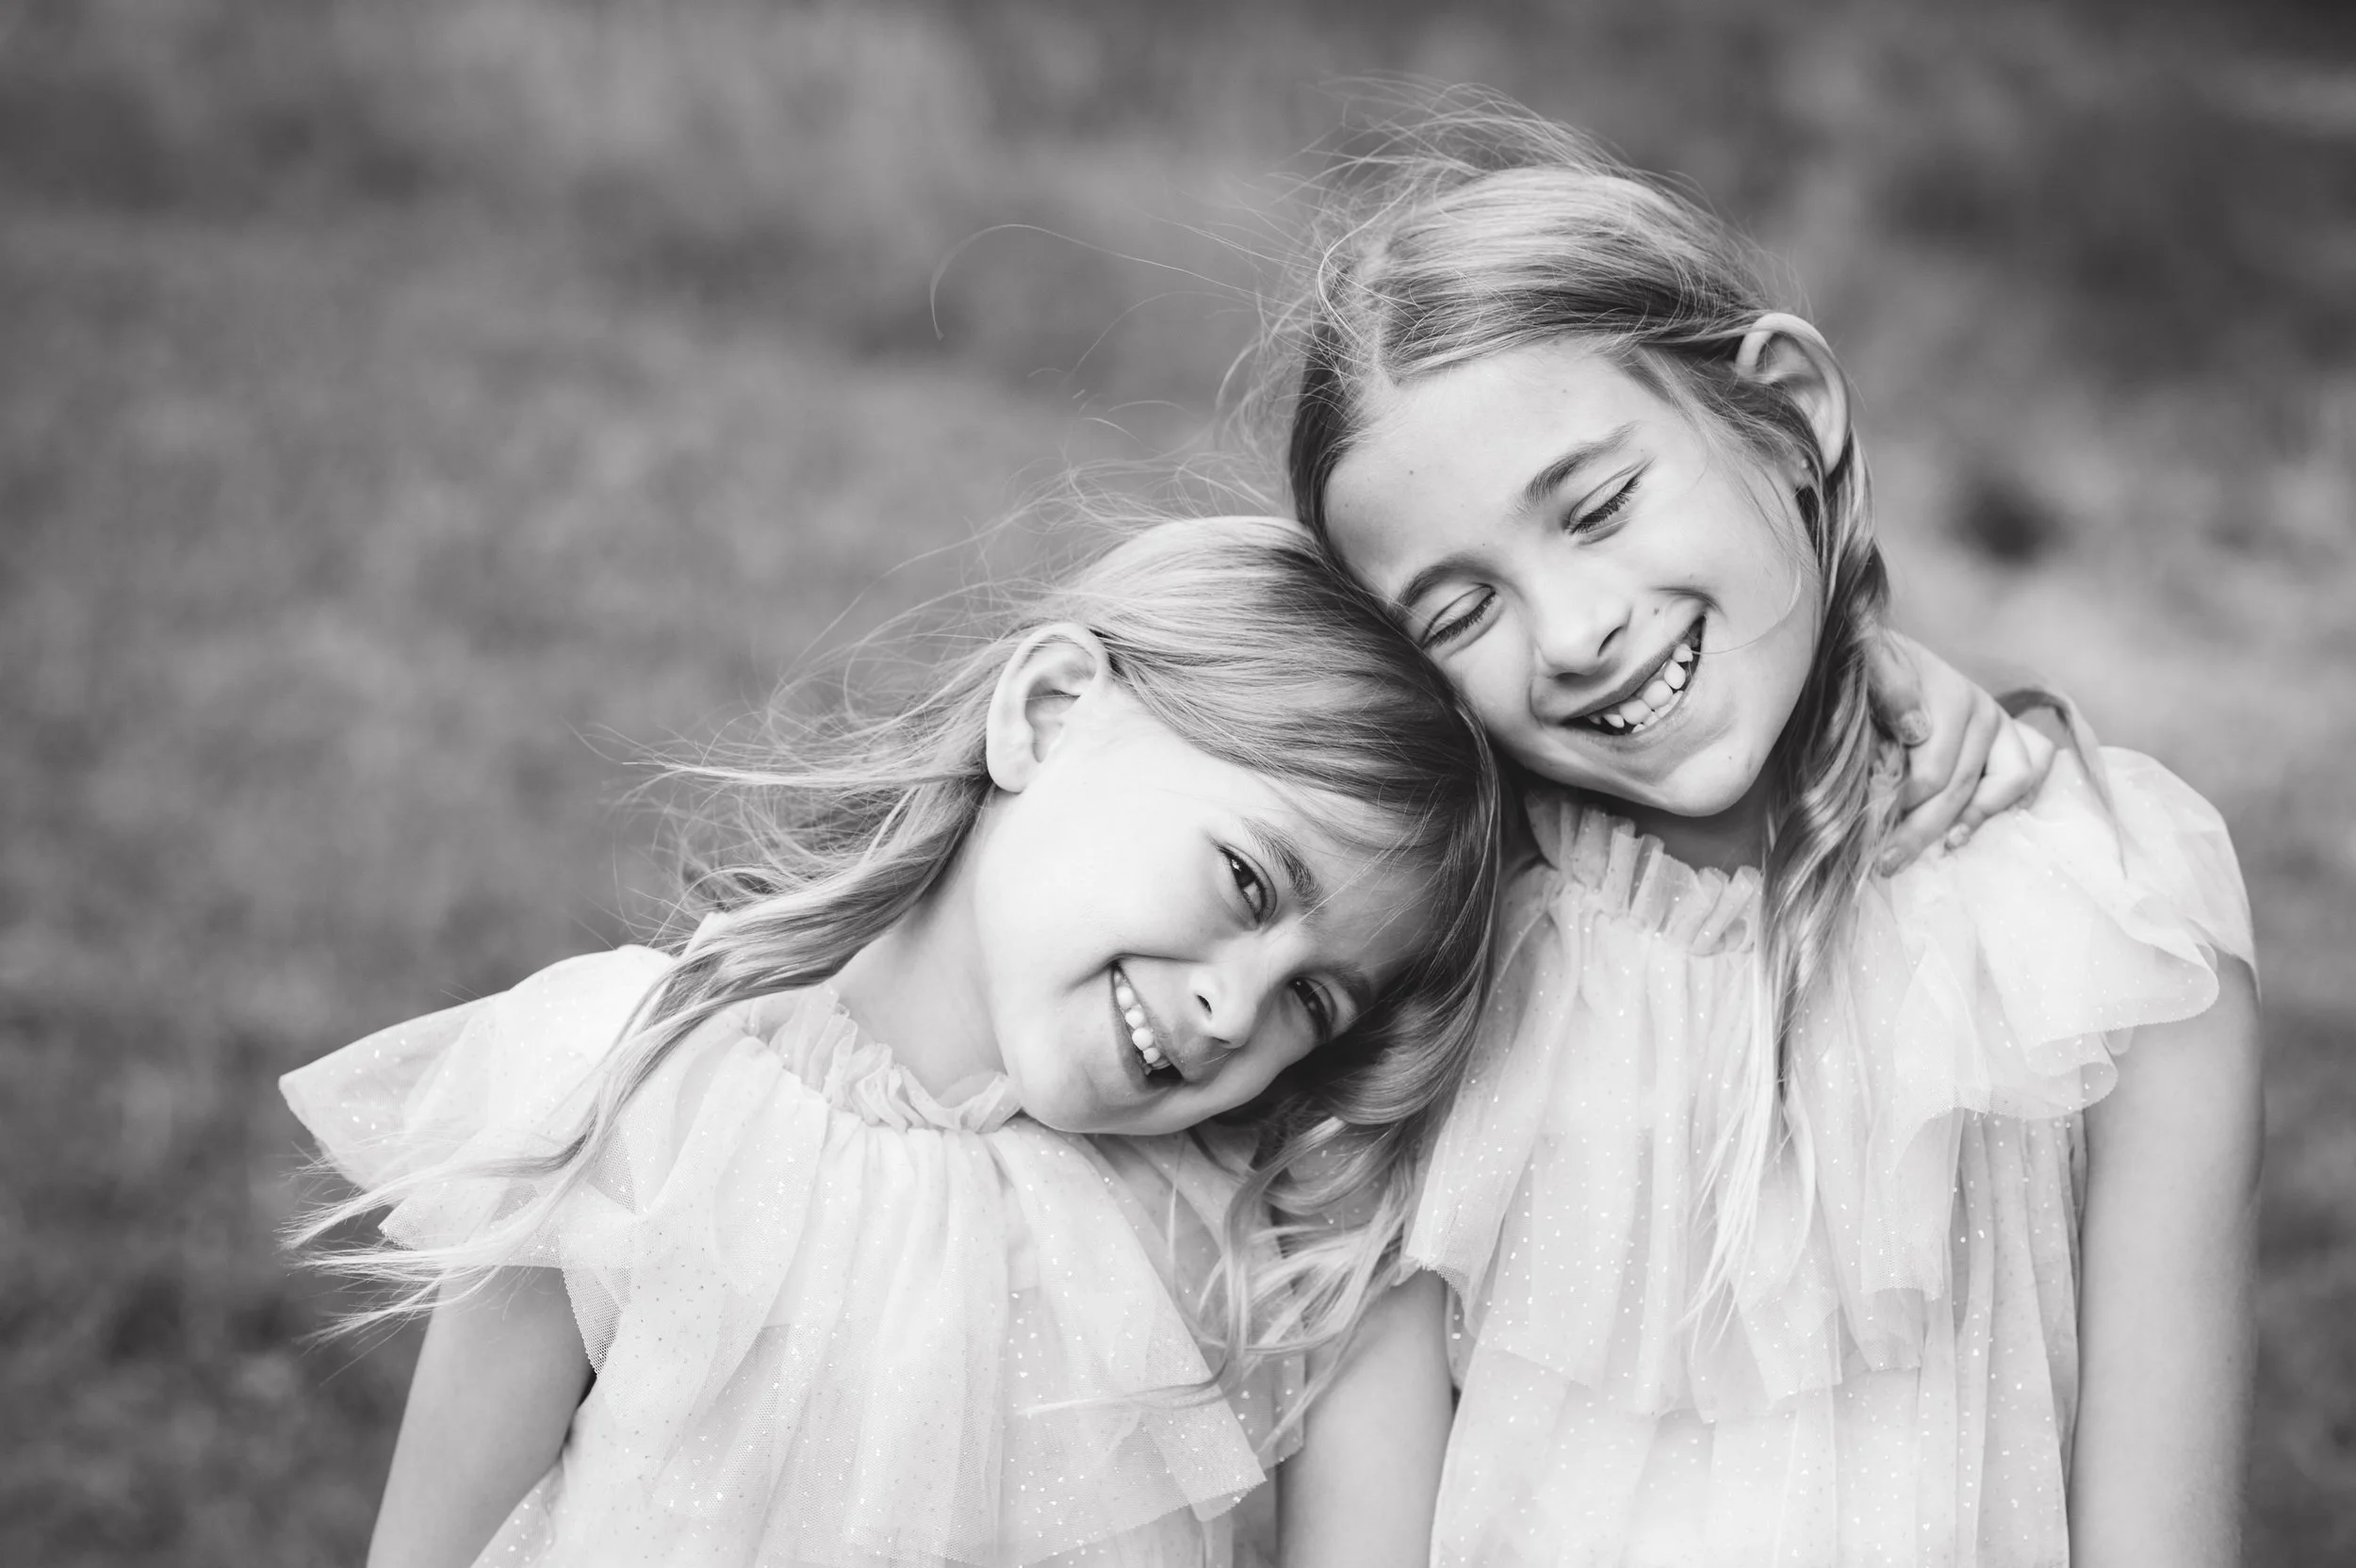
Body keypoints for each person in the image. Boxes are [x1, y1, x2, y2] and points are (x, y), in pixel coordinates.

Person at [1271, 106, 2262, 1568]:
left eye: (1599, 505)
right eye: (1461, 610)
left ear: (1789, 412)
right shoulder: (1433, 973)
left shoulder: (2107, 923)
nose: (1575, 631)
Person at [285, 514, 1508, 1568]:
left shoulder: (1248, 1237)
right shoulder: (645, 1093)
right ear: (1048, 713)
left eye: (1314, 1003)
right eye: (1247, 882)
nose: (1236, 1012)